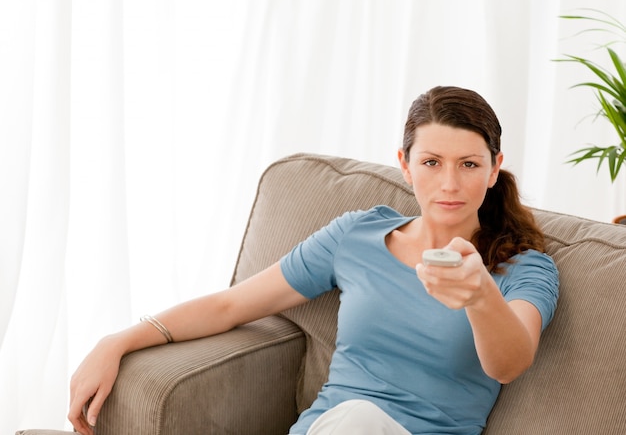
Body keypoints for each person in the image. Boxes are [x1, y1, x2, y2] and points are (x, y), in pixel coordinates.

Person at [68, 86, 559, 435]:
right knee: (355, 420)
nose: (449, 184)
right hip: (329, 428)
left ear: (495, 168)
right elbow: (231, 306)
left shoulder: (525, 268)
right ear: (405, 165)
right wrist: (119, 341)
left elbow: (509, 363)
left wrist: (479, 295)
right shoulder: (357, 235)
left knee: (361, 421)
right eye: (431, 162)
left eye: (469, 164)